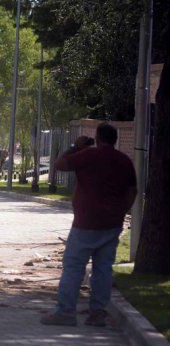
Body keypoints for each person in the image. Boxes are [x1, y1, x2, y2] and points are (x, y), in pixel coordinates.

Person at [41, 123, 137, 327]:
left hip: (85, 222)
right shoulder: (124, 160)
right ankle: (98, 314)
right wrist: (121, 211)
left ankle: (66, 312)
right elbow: (132, 191)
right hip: (112, 224)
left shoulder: (87, 156)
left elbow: (59, 164)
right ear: (115, 139)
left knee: (73, 267)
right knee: (103, 270)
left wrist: (76, 146)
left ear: (98, 137)